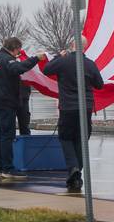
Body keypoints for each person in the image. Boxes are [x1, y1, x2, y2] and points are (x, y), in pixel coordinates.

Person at [43, 38, 104, 193]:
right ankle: (76, 171)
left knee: (65, 138)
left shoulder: (63, 61)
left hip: (68, 107)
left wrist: (59, 57)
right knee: (81, 139)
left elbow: (47, 69)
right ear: (86, 46)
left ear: (72, 45)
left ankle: (74, 168)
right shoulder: (90, 64)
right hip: (86, 107)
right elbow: (99, 84)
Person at [0, 37, 42, 178]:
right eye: (18, 50)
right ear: (15, 48)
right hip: (6, 102)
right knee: (7, 136)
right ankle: (8, 168)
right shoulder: (7, 60)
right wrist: (35, 58)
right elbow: (18, 68)